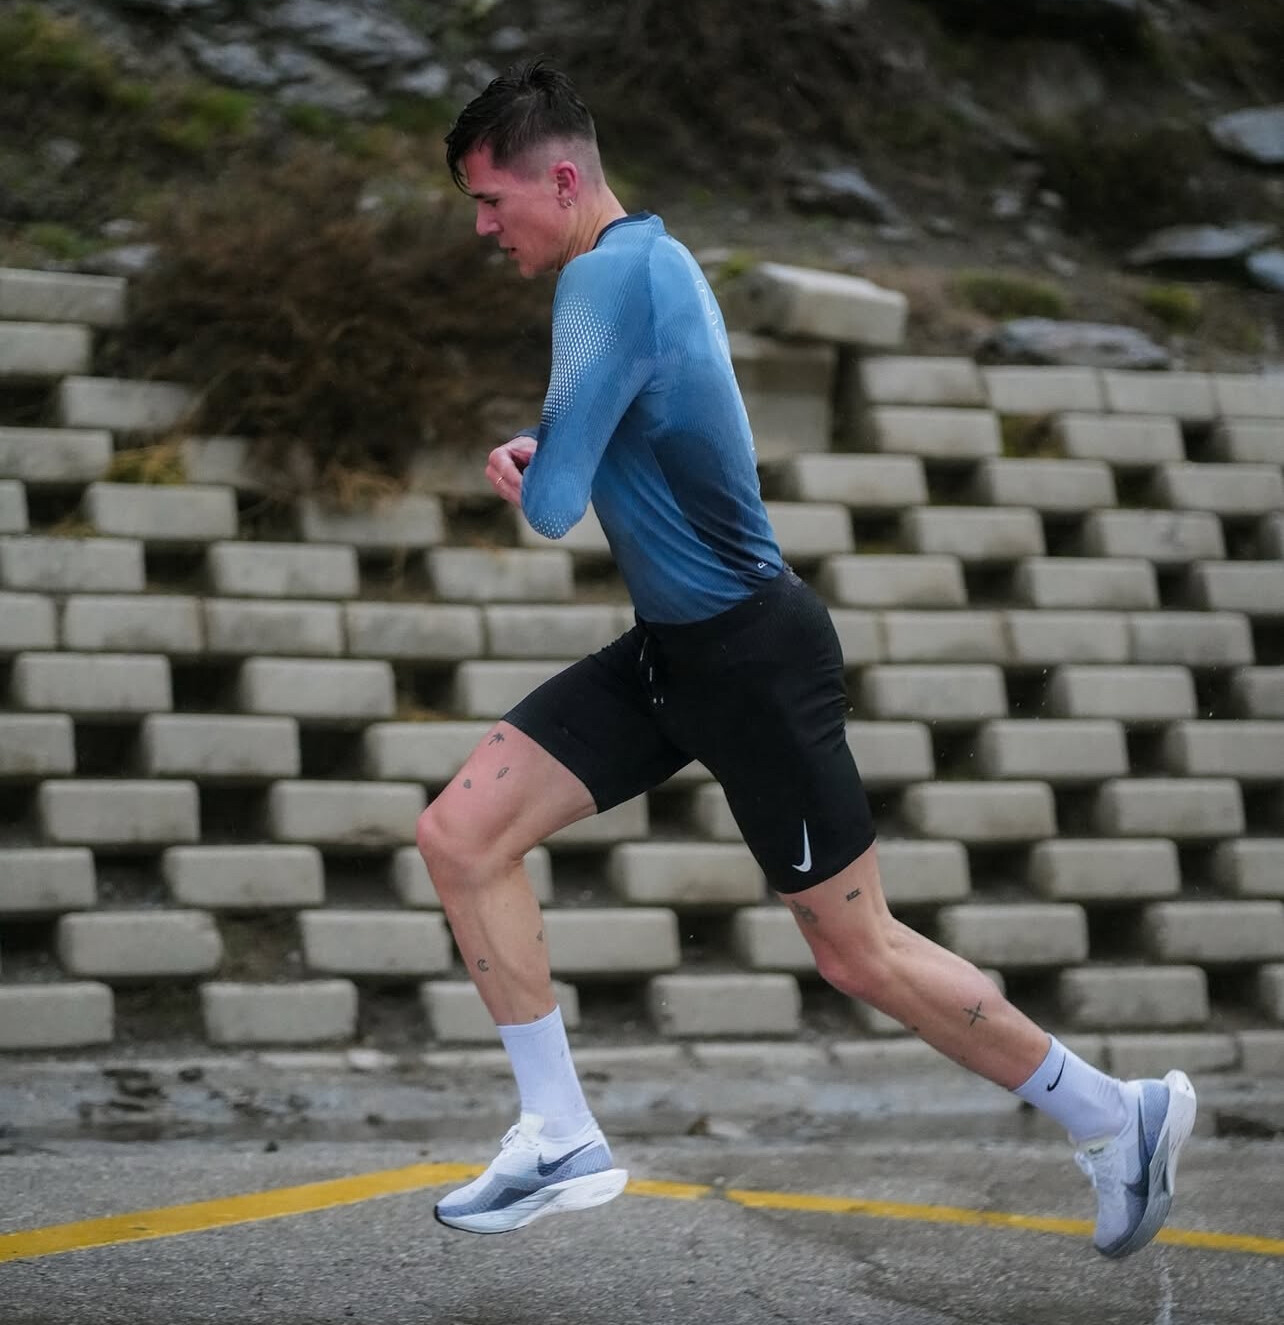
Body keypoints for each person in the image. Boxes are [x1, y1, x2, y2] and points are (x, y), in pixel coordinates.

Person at [418, 59, 1196, 1255]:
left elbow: (559, 504)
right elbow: (644, 430)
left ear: (561, 180)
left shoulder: (602, 280)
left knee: (857, 949)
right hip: (675, 653)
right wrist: (559, 439)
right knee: (462, 834)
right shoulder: (657, 260)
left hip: (752, 659)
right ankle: (559, 1131)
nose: (483, 228)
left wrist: (534, 459)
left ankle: (1112, 1113)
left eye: (490, 200)